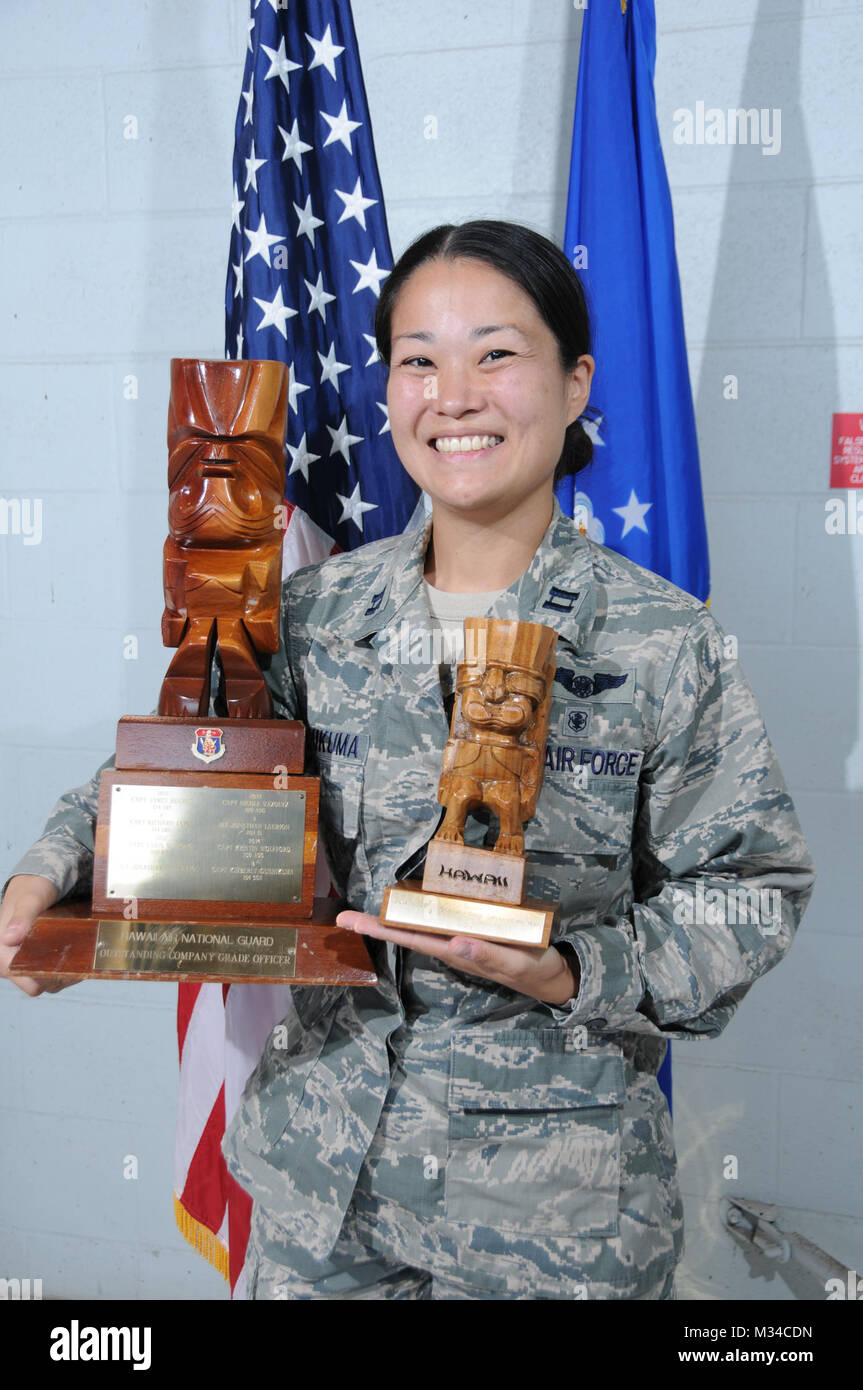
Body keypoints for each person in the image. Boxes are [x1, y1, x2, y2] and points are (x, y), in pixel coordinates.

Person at [1, 220, 815, 1301]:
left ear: (574, 384)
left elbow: (750, 889)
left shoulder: (658, 640)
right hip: (316, 1188)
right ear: (388, 392)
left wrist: (576, 967)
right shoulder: (311, 614)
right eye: (418, 360)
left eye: (495, 353)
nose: (454, 393)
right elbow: (192, 777)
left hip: (548, 1220)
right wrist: (52, 875)